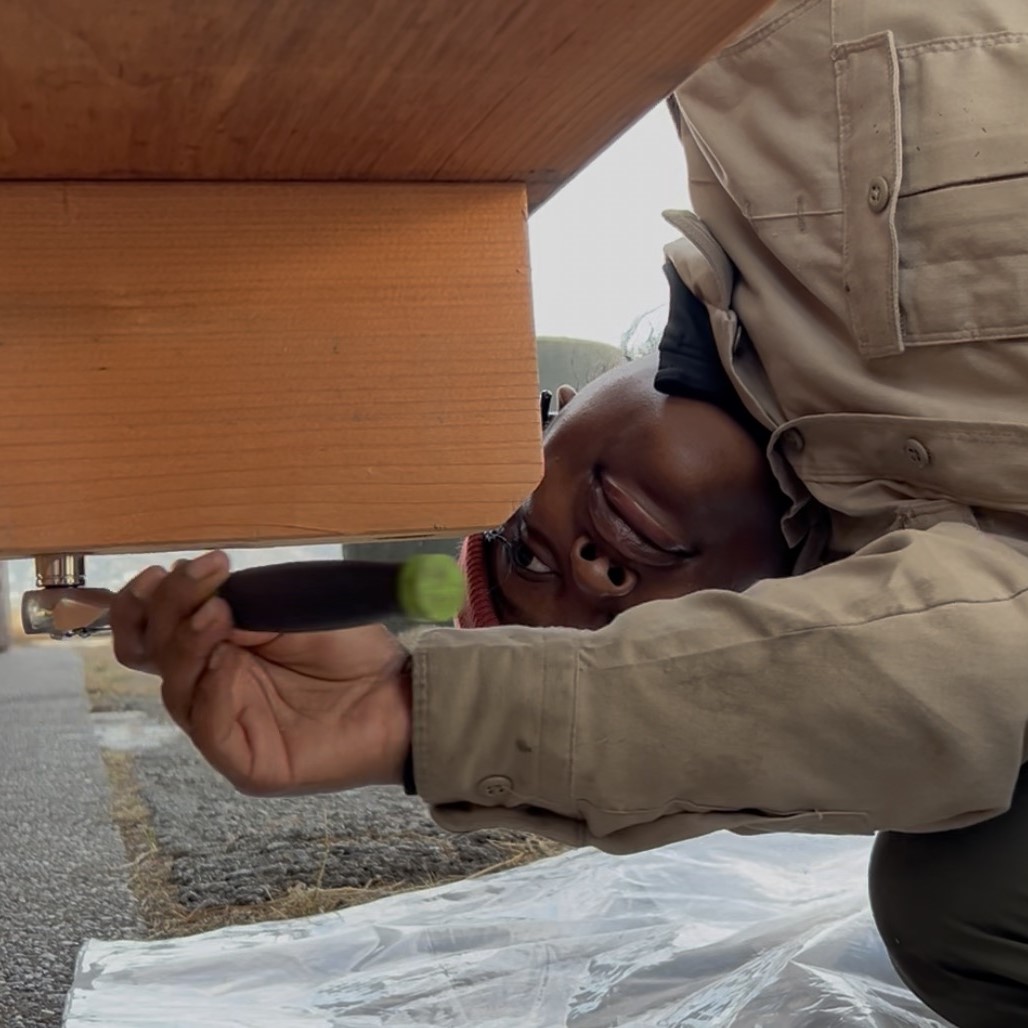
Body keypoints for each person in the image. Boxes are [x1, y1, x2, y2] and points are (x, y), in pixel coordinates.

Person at [111, 1, 1028, 1023]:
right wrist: (407, 715)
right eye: (625, 633)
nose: (591, 570)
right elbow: (984, 671)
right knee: (966, 900)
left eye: (522, 547)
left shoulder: (762, 96)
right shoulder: (930, 589)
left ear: (542, 412)